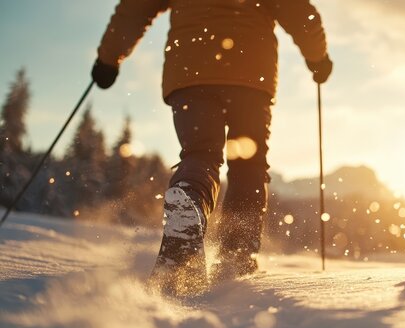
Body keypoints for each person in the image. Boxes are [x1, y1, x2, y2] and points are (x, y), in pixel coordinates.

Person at [92, 0, 332, 294]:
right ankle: (237, 255)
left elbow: (136, 7)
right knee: (249, 166)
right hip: (250, 75)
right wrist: (317, 56)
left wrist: (109, 58)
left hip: (192, 72)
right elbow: (296, 9)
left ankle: (188, 207)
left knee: (200, 154)